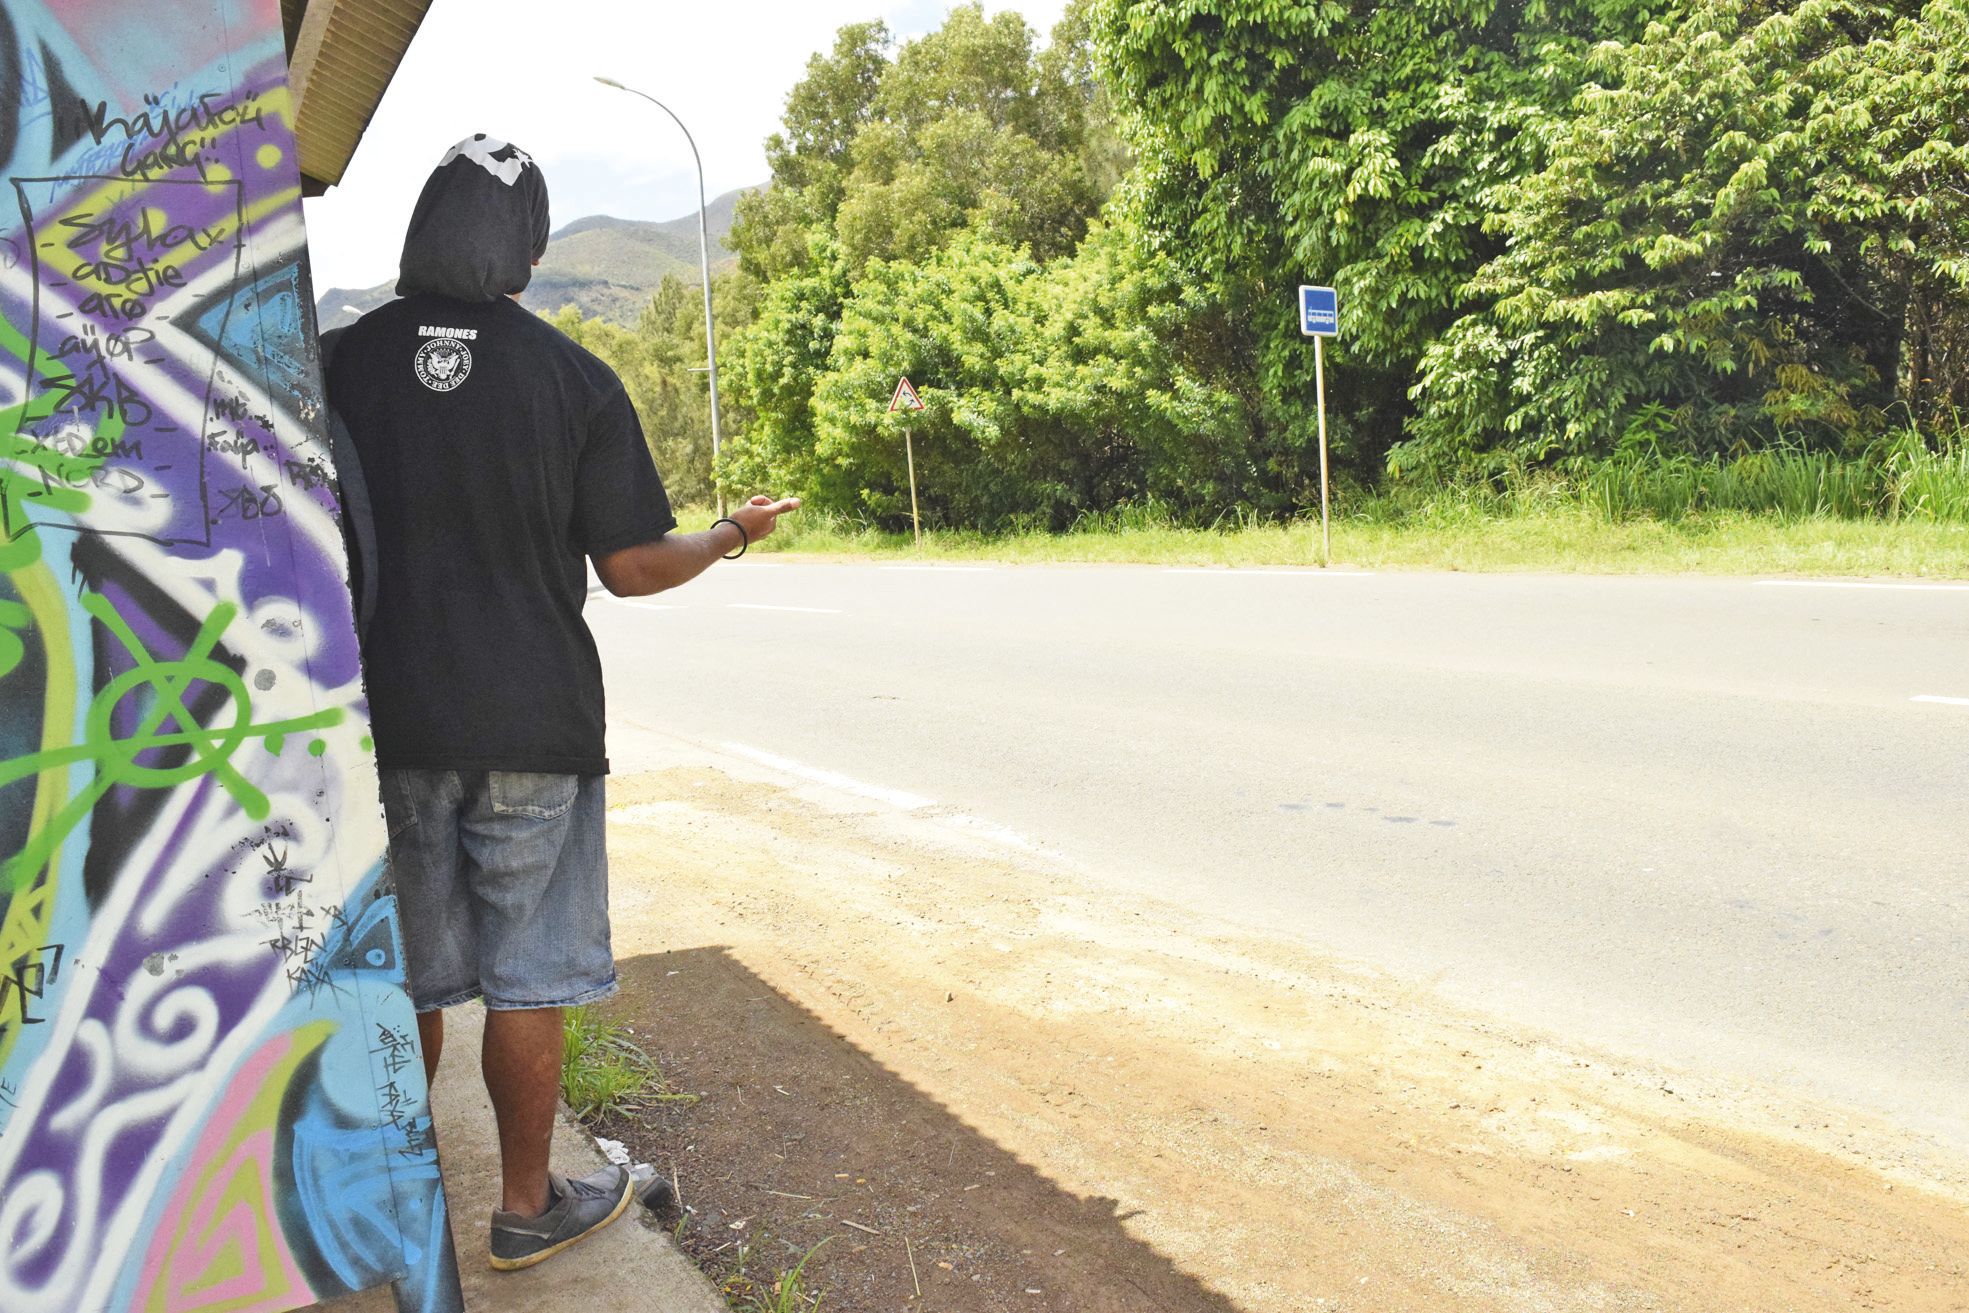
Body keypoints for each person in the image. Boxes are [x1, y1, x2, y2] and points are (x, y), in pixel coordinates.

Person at [327, 134, 797, 1271]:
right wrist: (733, 532)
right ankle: (527, 1203)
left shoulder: (335, 361)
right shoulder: (571, 378)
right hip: (534, 721)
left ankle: (395, 1215)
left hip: (384, 720)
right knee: (527, 974)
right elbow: (633, 565)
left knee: (411, 973)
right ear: (527, 247)